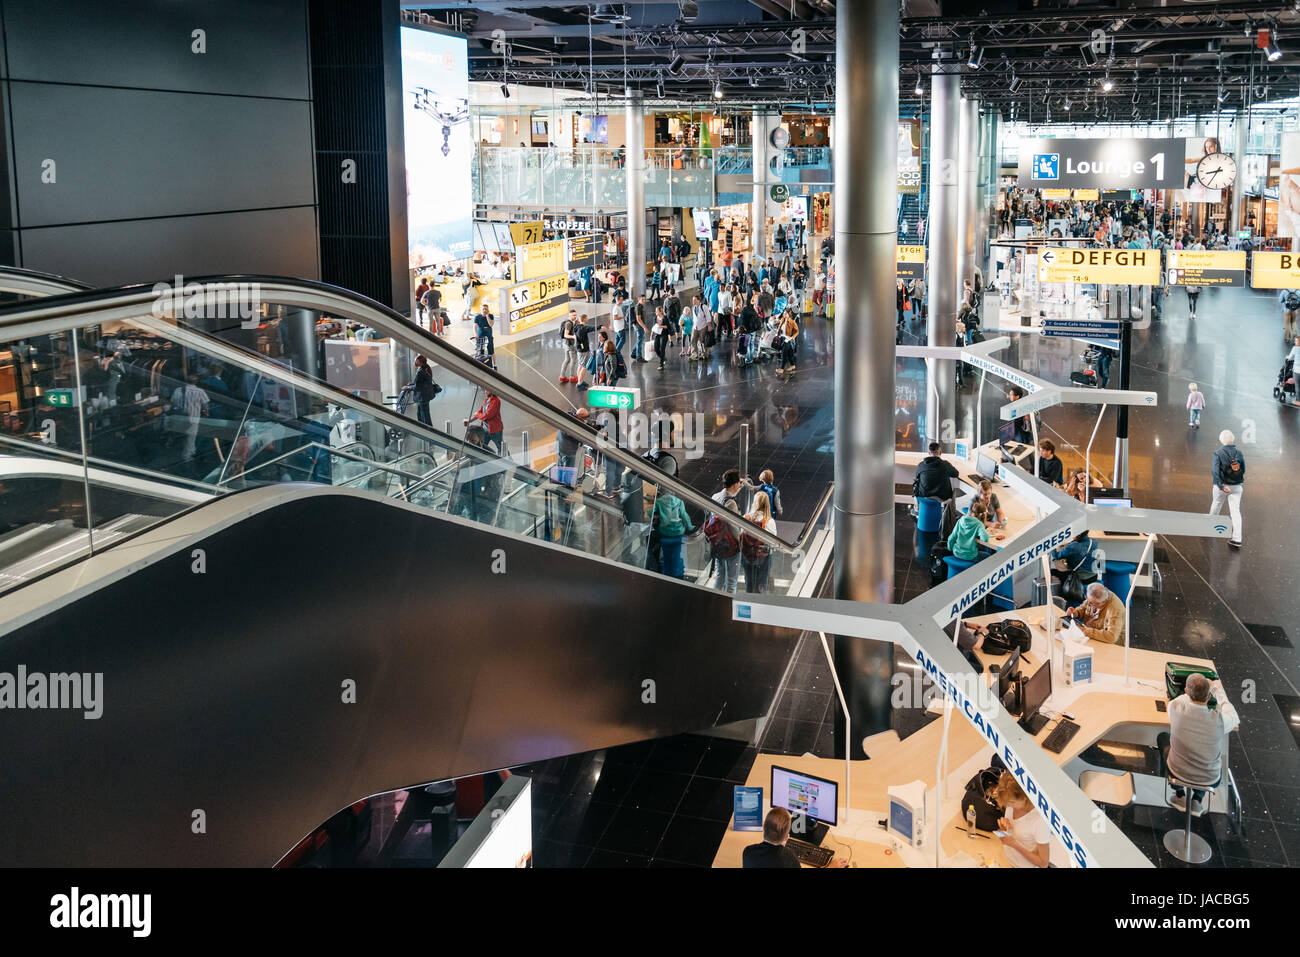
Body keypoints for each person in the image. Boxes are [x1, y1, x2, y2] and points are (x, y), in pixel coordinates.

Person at [1159, 673, 1239, 814]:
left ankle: (1179, 795)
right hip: (1210, 779)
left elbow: (1181, 699)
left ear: (1185, 692)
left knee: (1162, 738)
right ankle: (1197, 799)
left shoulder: (1175, 707)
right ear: (1209, 697)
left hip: (1178, 773)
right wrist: (1215, 690)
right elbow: (1232, 714)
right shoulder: (1220, 720)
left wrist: (1192, 689)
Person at [994, 772, 1051, 868]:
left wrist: (1015, 845)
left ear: (1026, 797)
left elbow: (1043, 863)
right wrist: (1004, 829)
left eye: (1012, 802)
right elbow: (1013, 833)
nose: (1008, 805)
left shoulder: (1040, 821)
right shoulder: (1011, 805)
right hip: (1008, 860)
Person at [1210, 429, 1245, 548]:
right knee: (1235, 512)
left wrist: (1221, 486)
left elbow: (1215, 472)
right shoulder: (1239, 453)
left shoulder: (1218, 453)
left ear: (1221, 440)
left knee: (1216, 505)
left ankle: (1208, 529)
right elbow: (1243, 469)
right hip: (1237, 486)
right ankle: (1237, 539)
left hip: (1222, 486)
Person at [652, 488, 694, 579]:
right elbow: (684, 516)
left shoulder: (659, 501)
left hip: (665, 532)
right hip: (677, 532)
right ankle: (676, 575)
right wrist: (690, 526)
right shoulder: (679, 501)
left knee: (665, 555)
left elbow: (651, 513)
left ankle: (666, 576)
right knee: (676, 554)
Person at [742, 490, 777, 593]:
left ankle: (748, 602)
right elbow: (773, 542)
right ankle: (759, 605)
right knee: (762, 585)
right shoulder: (769, 521)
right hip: (763, 557)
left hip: (747, 556)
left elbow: (741, 535)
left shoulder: (745, 517)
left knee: (749, 583)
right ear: (767, 504)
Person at [171, 373, 210, 462]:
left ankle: (183, 453)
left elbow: (173, 402)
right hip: (193, 419)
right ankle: (187, 458)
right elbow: (205, 405)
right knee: (190, 439)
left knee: (180, 436)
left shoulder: (178, 390)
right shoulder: (200, 391)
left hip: (179, 417)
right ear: (196, 382)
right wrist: (206, 412)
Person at [411, 354, 436, 426]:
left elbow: (417, 387)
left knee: (424, 416)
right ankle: (425, 429)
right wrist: (413, 383)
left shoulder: (420, 372)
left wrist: (408, 388)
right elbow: (422, 382)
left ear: (420, 362)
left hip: (422, 397)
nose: (414, 362)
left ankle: (428, 431)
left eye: (416, 361)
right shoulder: (426, 368)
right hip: (426, 396)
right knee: (423, 414)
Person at [558, 309, 579, 384]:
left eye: (576, 315)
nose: (575, 316)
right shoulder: (569, 323)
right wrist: (573, 337)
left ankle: (562, 376)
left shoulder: (568, 322)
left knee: (567, 360)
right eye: (573, 315)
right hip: (570, 344)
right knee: (573, 360)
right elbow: (566, 335)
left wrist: (576, 324)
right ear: (569, 315)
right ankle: (572, 377)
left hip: (565, 344)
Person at [776, 312, 799, 378]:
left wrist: (791, 338)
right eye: (784, 313)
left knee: (784, 353)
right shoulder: (782, 320)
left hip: (788, 339)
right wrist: (778, 332)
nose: (784, 315)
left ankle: (781, 368)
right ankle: (792, 365)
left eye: (786, 313)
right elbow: (780, 328)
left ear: (789, 314)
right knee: (789, 353)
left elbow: (797, 331)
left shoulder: (792, 322)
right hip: (782, 338)